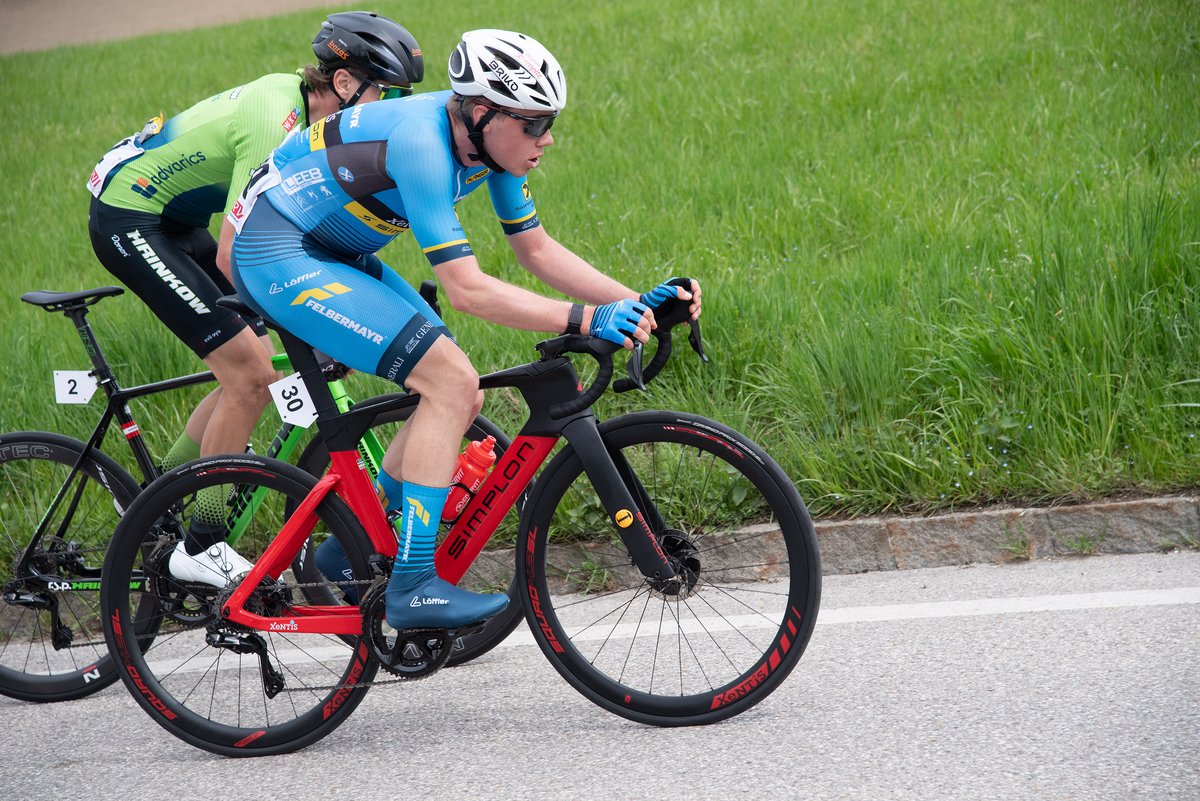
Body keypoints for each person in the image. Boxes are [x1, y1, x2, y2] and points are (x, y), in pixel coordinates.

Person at [229, 29, 702, 630]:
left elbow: (534, 248)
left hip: (330, 250)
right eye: (535, 123)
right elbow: (467, 290)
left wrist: (637, 303)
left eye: (548, 121)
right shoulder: (422, 143)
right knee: (450, 382)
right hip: (278, 253)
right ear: (482, 112)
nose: (547, 138)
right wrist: (586, 318)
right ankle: (414, 584)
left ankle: (343, 554)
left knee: (461, 389)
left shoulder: (490, 146)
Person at [86, 12, 424, 587]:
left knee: (246, 369)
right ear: (344, 85)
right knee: (249, 374)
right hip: (132, 218)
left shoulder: (318, 120)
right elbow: (232, 256)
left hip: (175, 218)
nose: (388, 105)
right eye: (383, 90)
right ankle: (203, 542)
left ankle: (156, 502)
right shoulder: (279, 121)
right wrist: (309, 319)